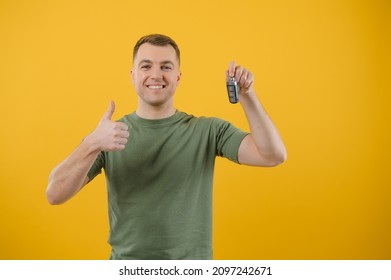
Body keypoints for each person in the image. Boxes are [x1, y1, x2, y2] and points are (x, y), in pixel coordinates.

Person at [46, 34, 287, 260]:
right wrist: (92, 143)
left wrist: (248, 96)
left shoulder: (208, 131)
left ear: (178, 77)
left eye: (166, 67)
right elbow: (55, 194)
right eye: (146, 66)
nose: (156, 74)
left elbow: (272, 155)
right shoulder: (109, 135)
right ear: (132, 75)